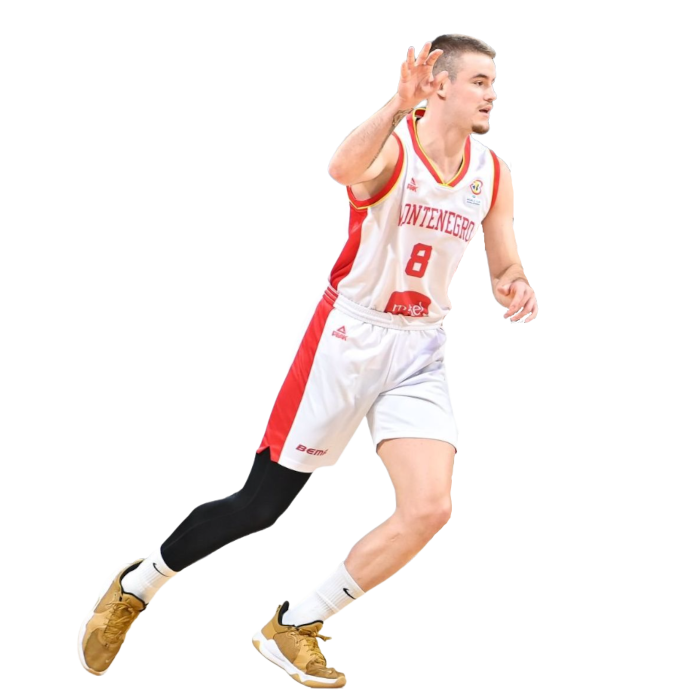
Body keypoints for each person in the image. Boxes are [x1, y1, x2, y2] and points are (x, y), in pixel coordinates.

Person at [77, 33, 537, 688]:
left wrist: (515, 287)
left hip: (420, 347)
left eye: (493, 82)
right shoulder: (394, 147)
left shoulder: (492, 173)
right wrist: (396, 105)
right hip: (347, 336)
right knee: (260, 507)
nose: (493, 93)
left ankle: (296, 625)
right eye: (480, 81)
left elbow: (503, 262)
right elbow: (342, 170)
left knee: (430, 508)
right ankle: (136, 586)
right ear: (438, 84)